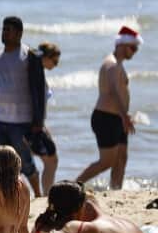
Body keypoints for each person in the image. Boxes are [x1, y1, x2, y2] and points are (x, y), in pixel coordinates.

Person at [0, 16, 47, 195]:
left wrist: (38, 121)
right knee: (2, 162)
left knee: (25, 162)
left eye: (9, 30)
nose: (5, 33)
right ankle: (9, 194)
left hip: (21, 121)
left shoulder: (30, 56)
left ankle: (38, 194)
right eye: (3, 29)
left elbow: (39, 90)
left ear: (19, 33)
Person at [77, 26, 142, 190]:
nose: (135, 52)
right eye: (133, 47)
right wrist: (125, 116)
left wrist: (123, 116)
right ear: (122, 45)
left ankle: (115, 190)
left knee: (121, 157)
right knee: (107, 161)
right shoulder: (111, 64)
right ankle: (73, 185)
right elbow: (113, 91)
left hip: (117, 117)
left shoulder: (118, 64)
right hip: (106, 117)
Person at [32, 42, 62, 194]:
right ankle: (45, 194)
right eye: (55, 61)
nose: (56, 66)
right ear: (47, 57)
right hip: (33, 126)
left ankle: (44, 193)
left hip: (38, 124)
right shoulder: (35, 75)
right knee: (51, 160)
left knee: (48, 160)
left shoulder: (38, 74)